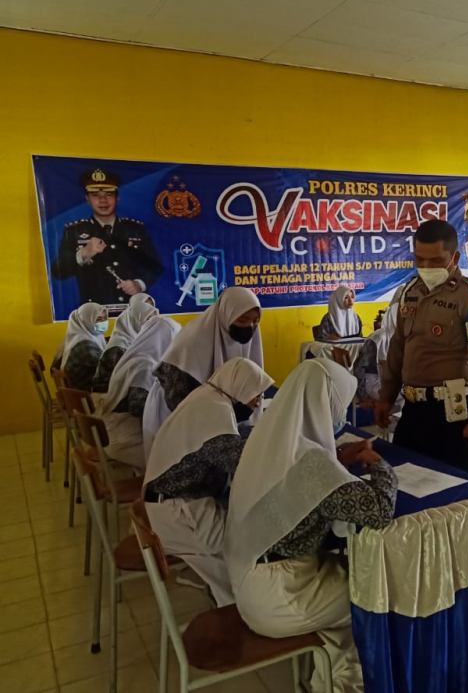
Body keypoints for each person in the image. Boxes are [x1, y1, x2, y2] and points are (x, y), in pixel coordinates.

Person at [226, 359, 397, 693]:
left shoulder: (270, 440)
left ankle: (326, 674)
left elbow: (298, 483)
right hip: (280, 596)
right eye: (339, 408)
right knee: (372, 594)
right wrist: (379, 464)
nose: (341, 418)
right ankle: (345, 683)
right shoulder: (312, 464)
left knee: (348, 576)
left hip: (249, 578)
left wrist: (338, 458)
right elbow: (379, 510)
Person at [143, 357, 273, 605]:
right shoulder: (214, 410)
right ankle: (243, 608)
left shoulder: (208, 397)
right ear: (239, 386)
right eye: (255, 394)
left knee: (241, 524)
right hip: (179, 515)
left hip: (171, 505)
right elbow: (240, 463)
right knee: (249, 540)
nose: (258, 402)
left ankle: (228, 596)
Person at [376, 219, 468, 471]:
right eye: (420, 260)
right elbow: (398, 346)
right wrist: (386, 396)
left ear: (455, 257)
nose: (427, 267)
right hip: (412, 409)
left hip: (451, 413)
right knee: (404, 476)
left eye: (436, 261)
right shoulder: (410, 292)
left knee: (451, 486)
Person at [52, 168, 164, 308]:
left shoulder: (136, 229)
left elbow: (155, 266)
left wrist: (139, 284)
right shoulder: (74, 231)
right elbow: (58, 272)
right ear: (87, 199)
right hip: (94, 312)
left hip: (133, 309)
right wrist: (84, 253)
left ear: (117, 198)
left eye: (109, 194)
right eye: (95, 195)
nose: (103, 200)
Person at [154, 286, 264, 413]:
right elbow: (178, 402)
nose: (250, 326)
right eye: (243, 320)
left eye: (255, 321)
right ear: (225, 315)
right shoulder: (191, 343)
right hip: (178, 417)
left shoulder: (248, 339)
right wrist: (232, 410)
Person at [99, 316, 180, 471]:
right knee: (181, 457)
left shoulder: (135, 355)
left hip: (113, 431)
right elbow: (140, 408)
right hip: (126, 441)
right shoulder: (145, 367)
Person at [92, 293, 158, 393]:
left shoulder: (137, 340)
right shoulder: (119, 348)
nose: (151, 324)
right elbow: (132, 382)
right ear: (134, 319)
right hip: (110, 396)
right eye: (147, 319)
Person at [60, 302, 108, 391]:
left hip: (81, 390)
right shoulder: (86, 346)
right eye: (99, 319)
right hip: (86, 394)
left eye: (105, 318)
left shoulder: (80, 337)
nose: (103, 322)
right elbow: (106, 371)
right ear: (86, 320)